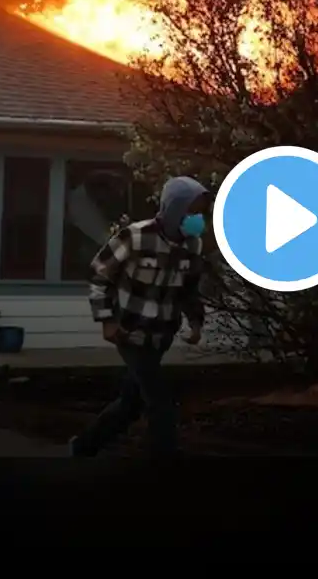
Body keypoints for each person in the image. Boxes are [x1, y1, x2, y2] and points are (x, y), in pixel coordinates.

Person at [71, 176, 210, 458]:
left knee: (130, 404)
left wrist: (195, 322)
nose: (198, 218)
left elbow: (189, 290)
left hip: (161, 335)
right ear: (174, 209)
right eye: (192, 210)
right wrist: (107, 320)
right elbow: (99, 275)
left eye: (201, 212)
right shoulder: (134, 237)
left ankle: (83, 447)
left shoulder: (192, 245)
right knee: (160, 403)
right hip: (129, 332)